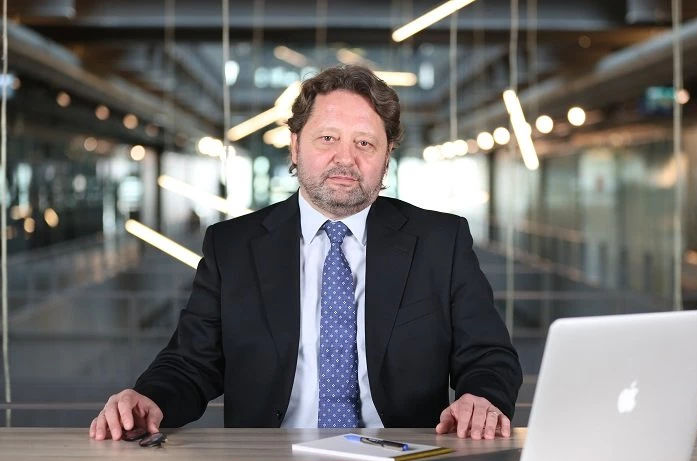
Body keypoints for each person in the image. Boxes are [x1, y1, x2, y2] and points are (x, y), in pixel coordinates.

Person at [90, 65, 522, 441]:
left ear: (387, 156)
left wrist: (481, 397)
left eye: (365, 143)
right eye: (327, 138)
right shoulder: (232, 246)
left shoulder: (440, 241)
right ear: (295, 146)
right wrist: (149, 398)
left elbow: (489, 356)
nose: (345, 159)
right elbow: (191, 362)